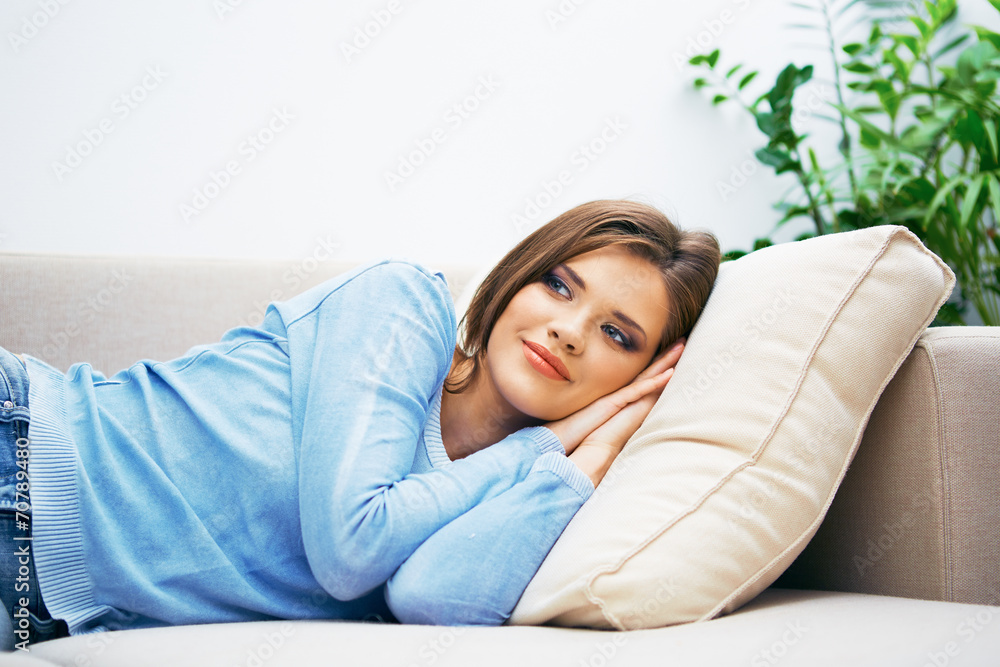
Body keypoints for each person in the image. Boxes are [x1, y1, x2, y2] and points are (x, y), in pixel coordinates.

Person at [0, 199, 720, 649]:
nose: (569, 330)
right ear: (517, 277)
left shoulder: (521, 491)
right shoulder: (403, 305)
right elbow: (352, 547)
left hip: (47, 608)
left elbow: (434, 602)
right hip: (24, 446)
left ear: (640, 380)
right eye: (558, 285)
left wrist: (584, 458)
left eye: (617, 334)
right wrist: (546, 440)